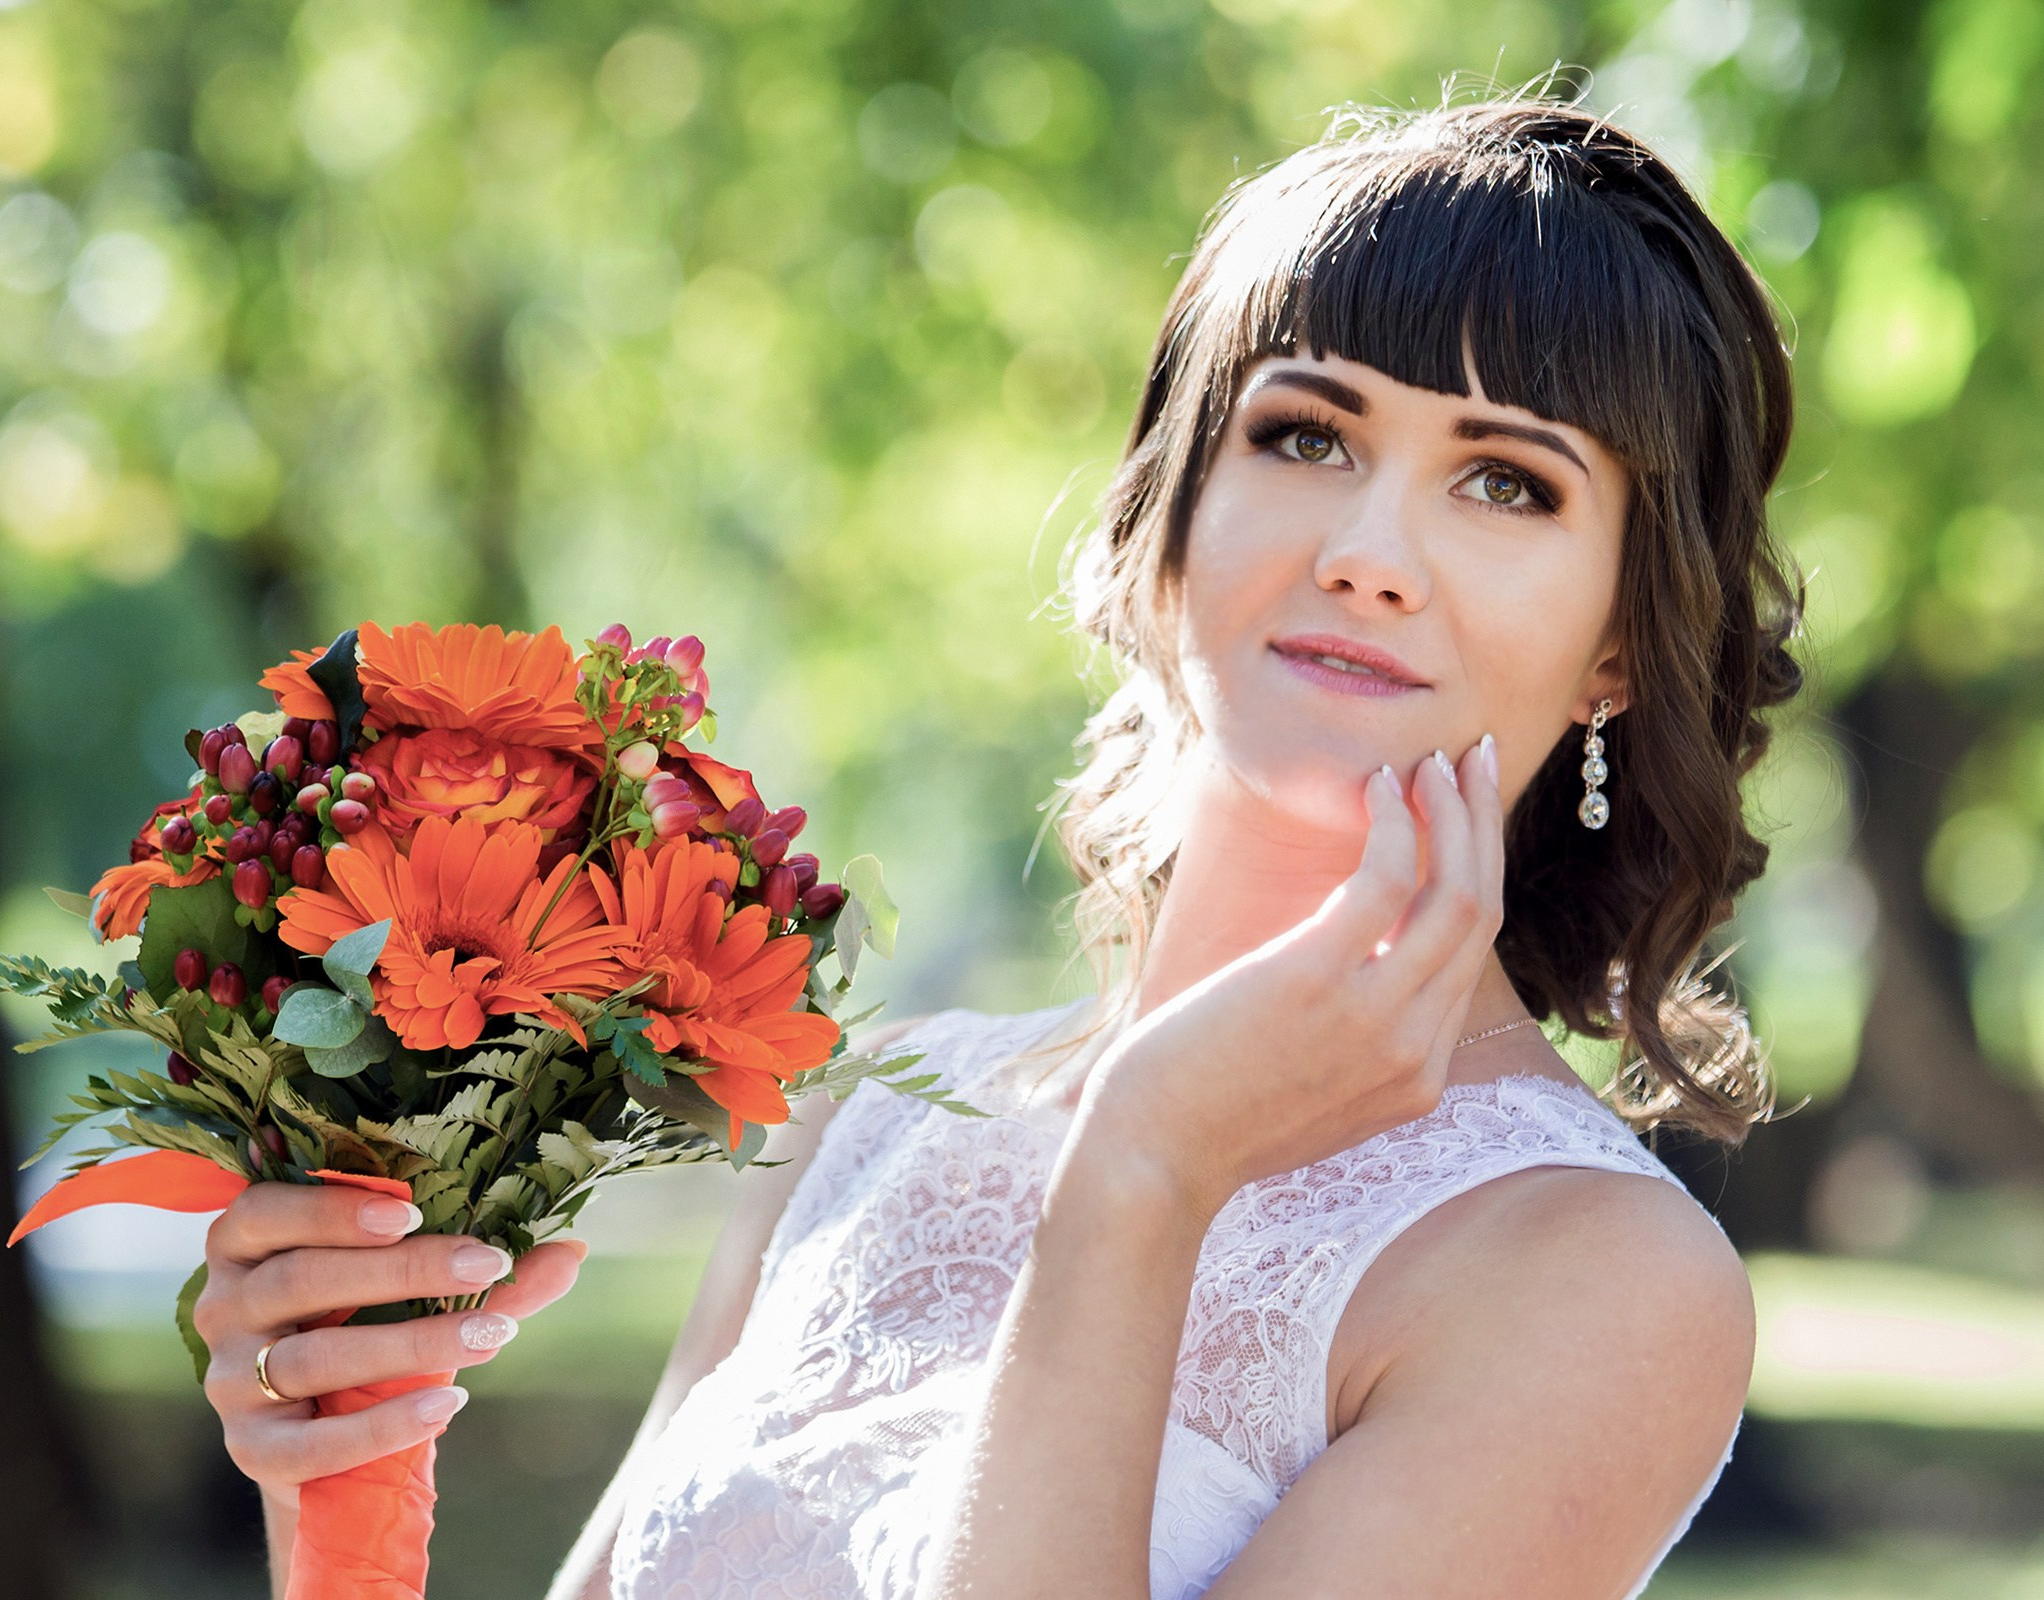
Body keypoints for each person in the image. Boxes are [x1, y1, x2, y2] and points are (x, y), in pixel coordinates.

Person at [194, 92, 1802, 1598]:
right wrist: (338, 1473)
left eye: (1506, 484)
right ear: (1165, 522)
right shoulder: (866, 1121)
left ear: (1619, 644)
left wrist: (1148, 1167)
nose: (1371, 554)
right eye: (1307, 436)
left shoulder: (1596, 1277)